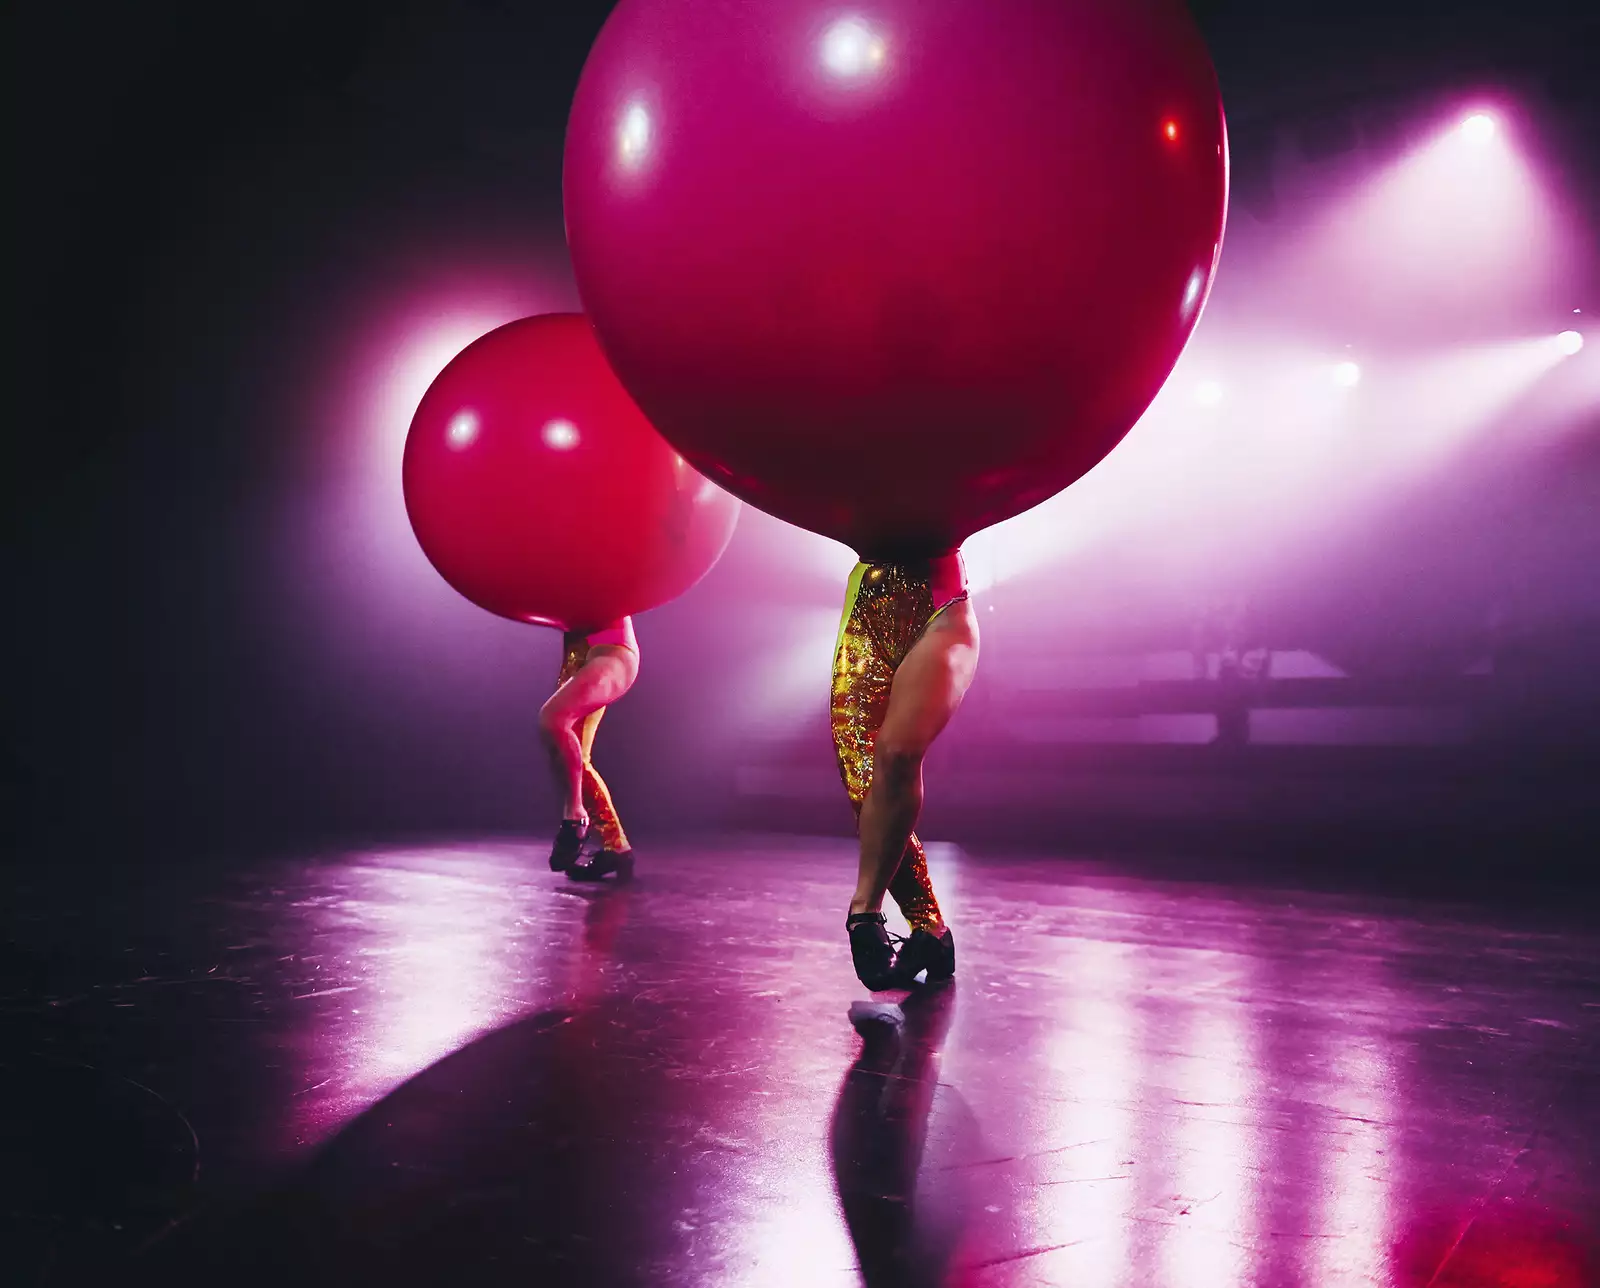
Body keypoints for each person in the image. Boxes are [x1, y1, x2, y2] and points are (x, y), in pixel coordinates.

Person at [833, 553, 979, 989]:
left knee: (896, 754)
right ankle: (930, 930)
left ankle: (864, 912)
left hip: (940, 609)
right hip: (864, 614)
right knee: (868, 790)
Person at [540, 617, 639, 880]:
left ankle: (575, 818)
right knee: (566, 753)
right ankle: (616, 847)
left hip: (610, 649)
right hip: (577, 653)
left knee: (554, 720)